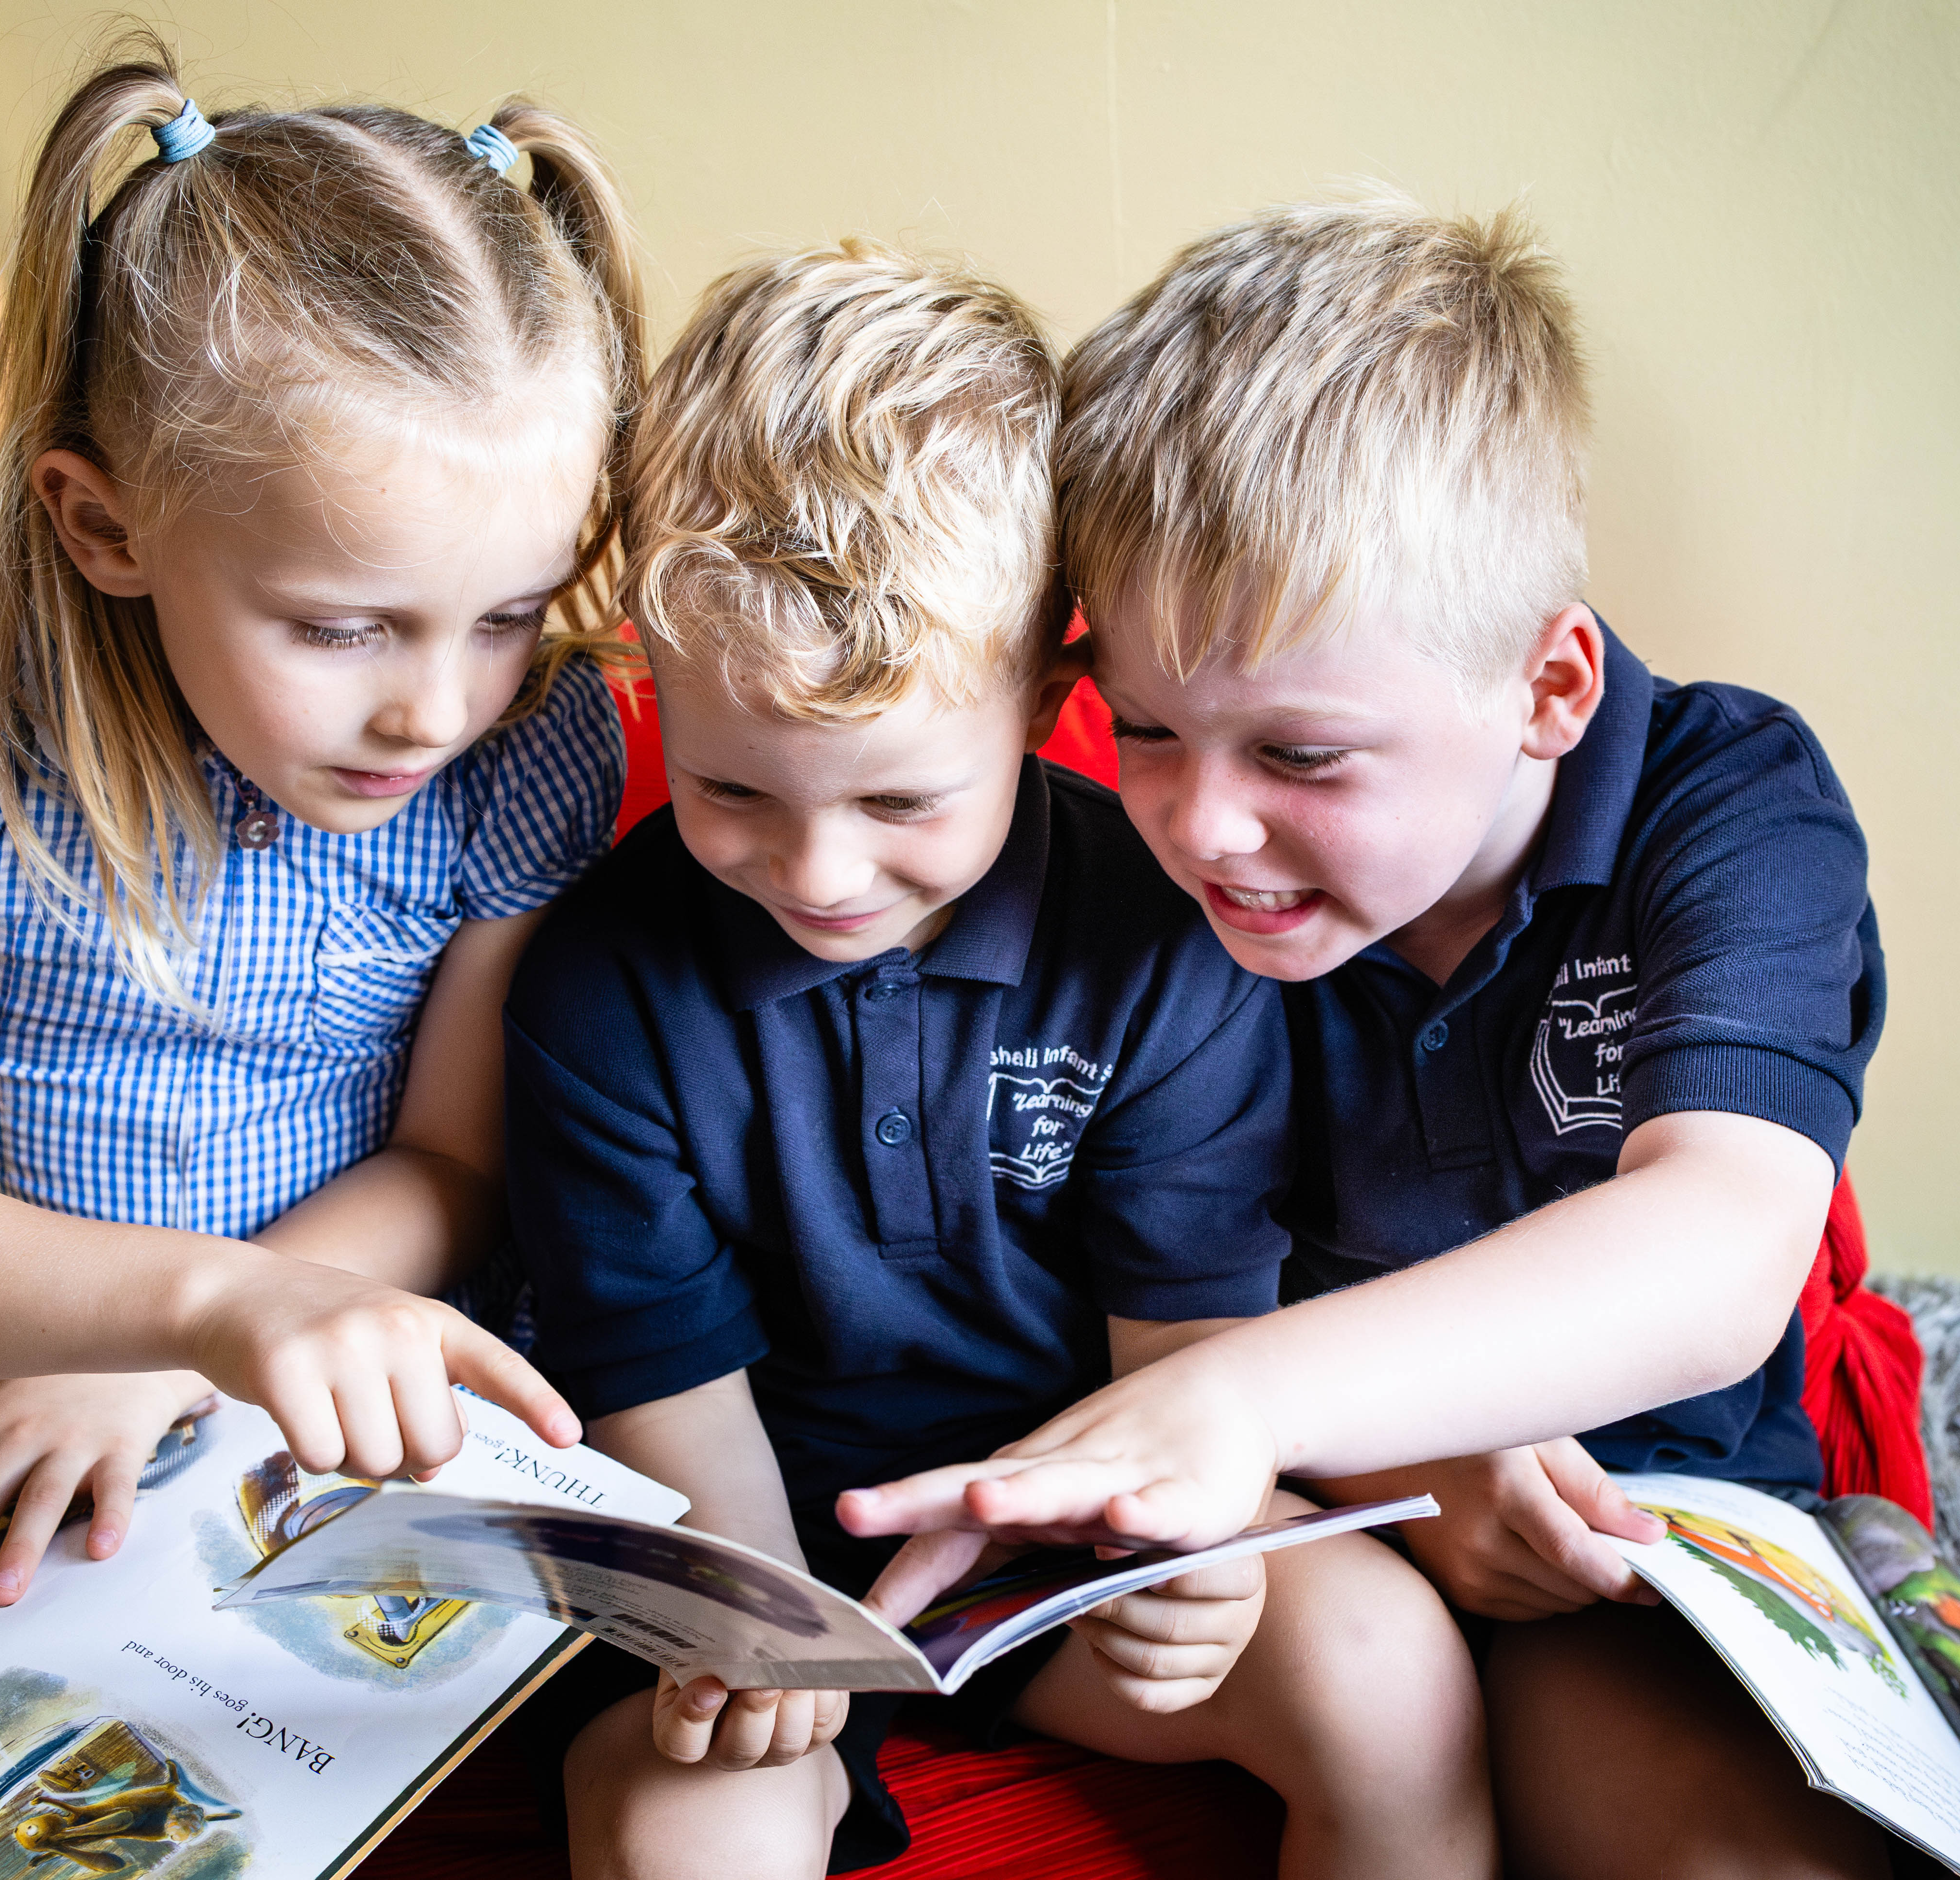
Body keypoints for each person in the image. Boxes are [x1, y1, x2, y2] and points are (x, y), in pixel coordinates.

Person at [844, 198, 1902, 1879]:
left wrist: (1253, 1400)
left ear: (1549, 691)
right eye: (1148, 726)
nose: (1205, 826)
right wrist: (1376, 1456)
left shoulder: (1730, 805)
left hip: (1628, 1541)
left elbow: (1721, 1247)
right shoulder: (1132, 891)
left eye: (1303, 756)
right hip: (1288, 1511)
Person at [503, 242, 1490, 1880]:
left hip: (1070, 1523)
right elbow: (665, 1401)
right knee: (682, 1829)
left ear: (1044, 690)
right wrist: (762, 1640)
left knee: (1390, 1678)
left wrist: (1189, 1553)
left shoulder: (1162, 943)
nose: (820, 870)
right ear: (649, 672)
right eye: (733, 788)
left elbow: (1185, 1363)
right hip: (754, 1551)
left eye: (900, 800)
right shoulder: (600, 988)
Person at [0, 45, 639, 1620]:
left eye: (507, 613)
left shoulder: (524, 742)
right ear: (105, 524)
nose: (435, 710)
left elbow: (455, 1162)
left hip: (345, 1380)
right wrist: (185, 1312)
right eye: (341, 628)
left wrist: (183, 1359)